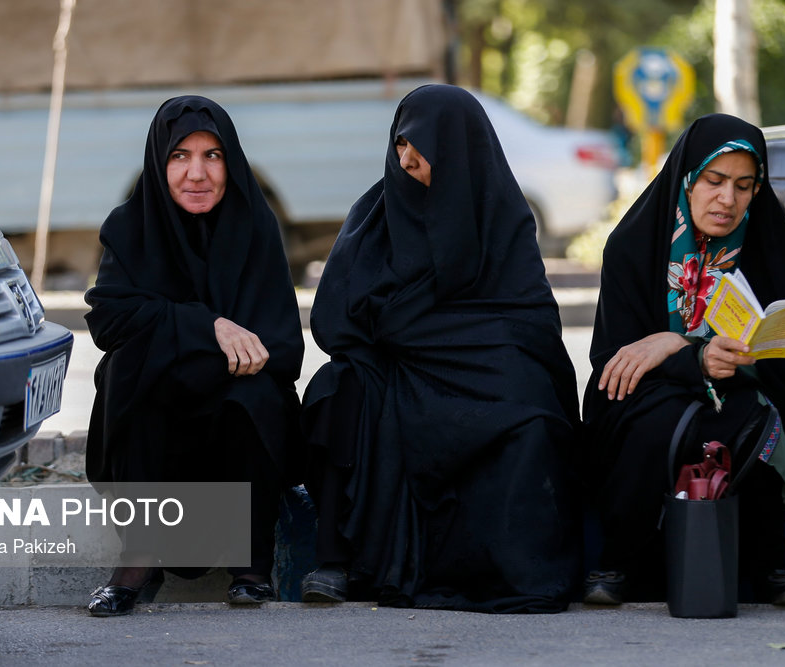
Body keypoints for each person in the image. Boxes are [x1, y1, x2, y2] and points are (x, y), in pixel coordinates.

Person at [298, 84, 583, 613]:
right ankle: (336, 562)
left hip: (479, 374)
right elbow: (336, 317)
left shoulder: (501, 217)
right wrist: (398, 336)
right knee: (337, 387)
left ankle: (505, 570)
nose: (406, 159)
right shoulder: (374, 215)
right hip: (395, 373)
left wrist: (417, 330)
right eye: (400, 144)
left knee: (530, 411)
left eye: (421, 147)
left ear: (458, 149)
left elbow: (527, 326)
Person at [581, 113, 785, 606]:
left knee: (754, 422)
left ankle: (766, 566)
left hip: (745, 386)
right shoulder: (632, 246)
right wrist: (690, 360)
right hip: (650, 391)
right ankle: (619, 562)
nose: (727, 199)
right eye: (714, 182)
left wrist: (687, 346)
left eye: (744, 186)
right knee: (659, 421)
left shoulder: (771, 248)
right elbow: (613, 359)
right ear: (688, 179)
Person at [84, 95, 304, 616]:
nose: (196, 173)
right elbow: (109, 318)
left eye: (213, 156)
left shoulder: (256, 225)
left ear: (232, 162)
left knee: (256, 391)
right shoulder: (129, 226)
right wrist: (209, 326)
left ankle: (253, 567)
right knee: (130, 372)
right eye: (179, 156)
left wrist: (196, 346)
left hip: (230, 405)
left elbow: (278, 346)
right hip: (162, 405)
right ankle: (138, 557)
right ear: (159, 164)